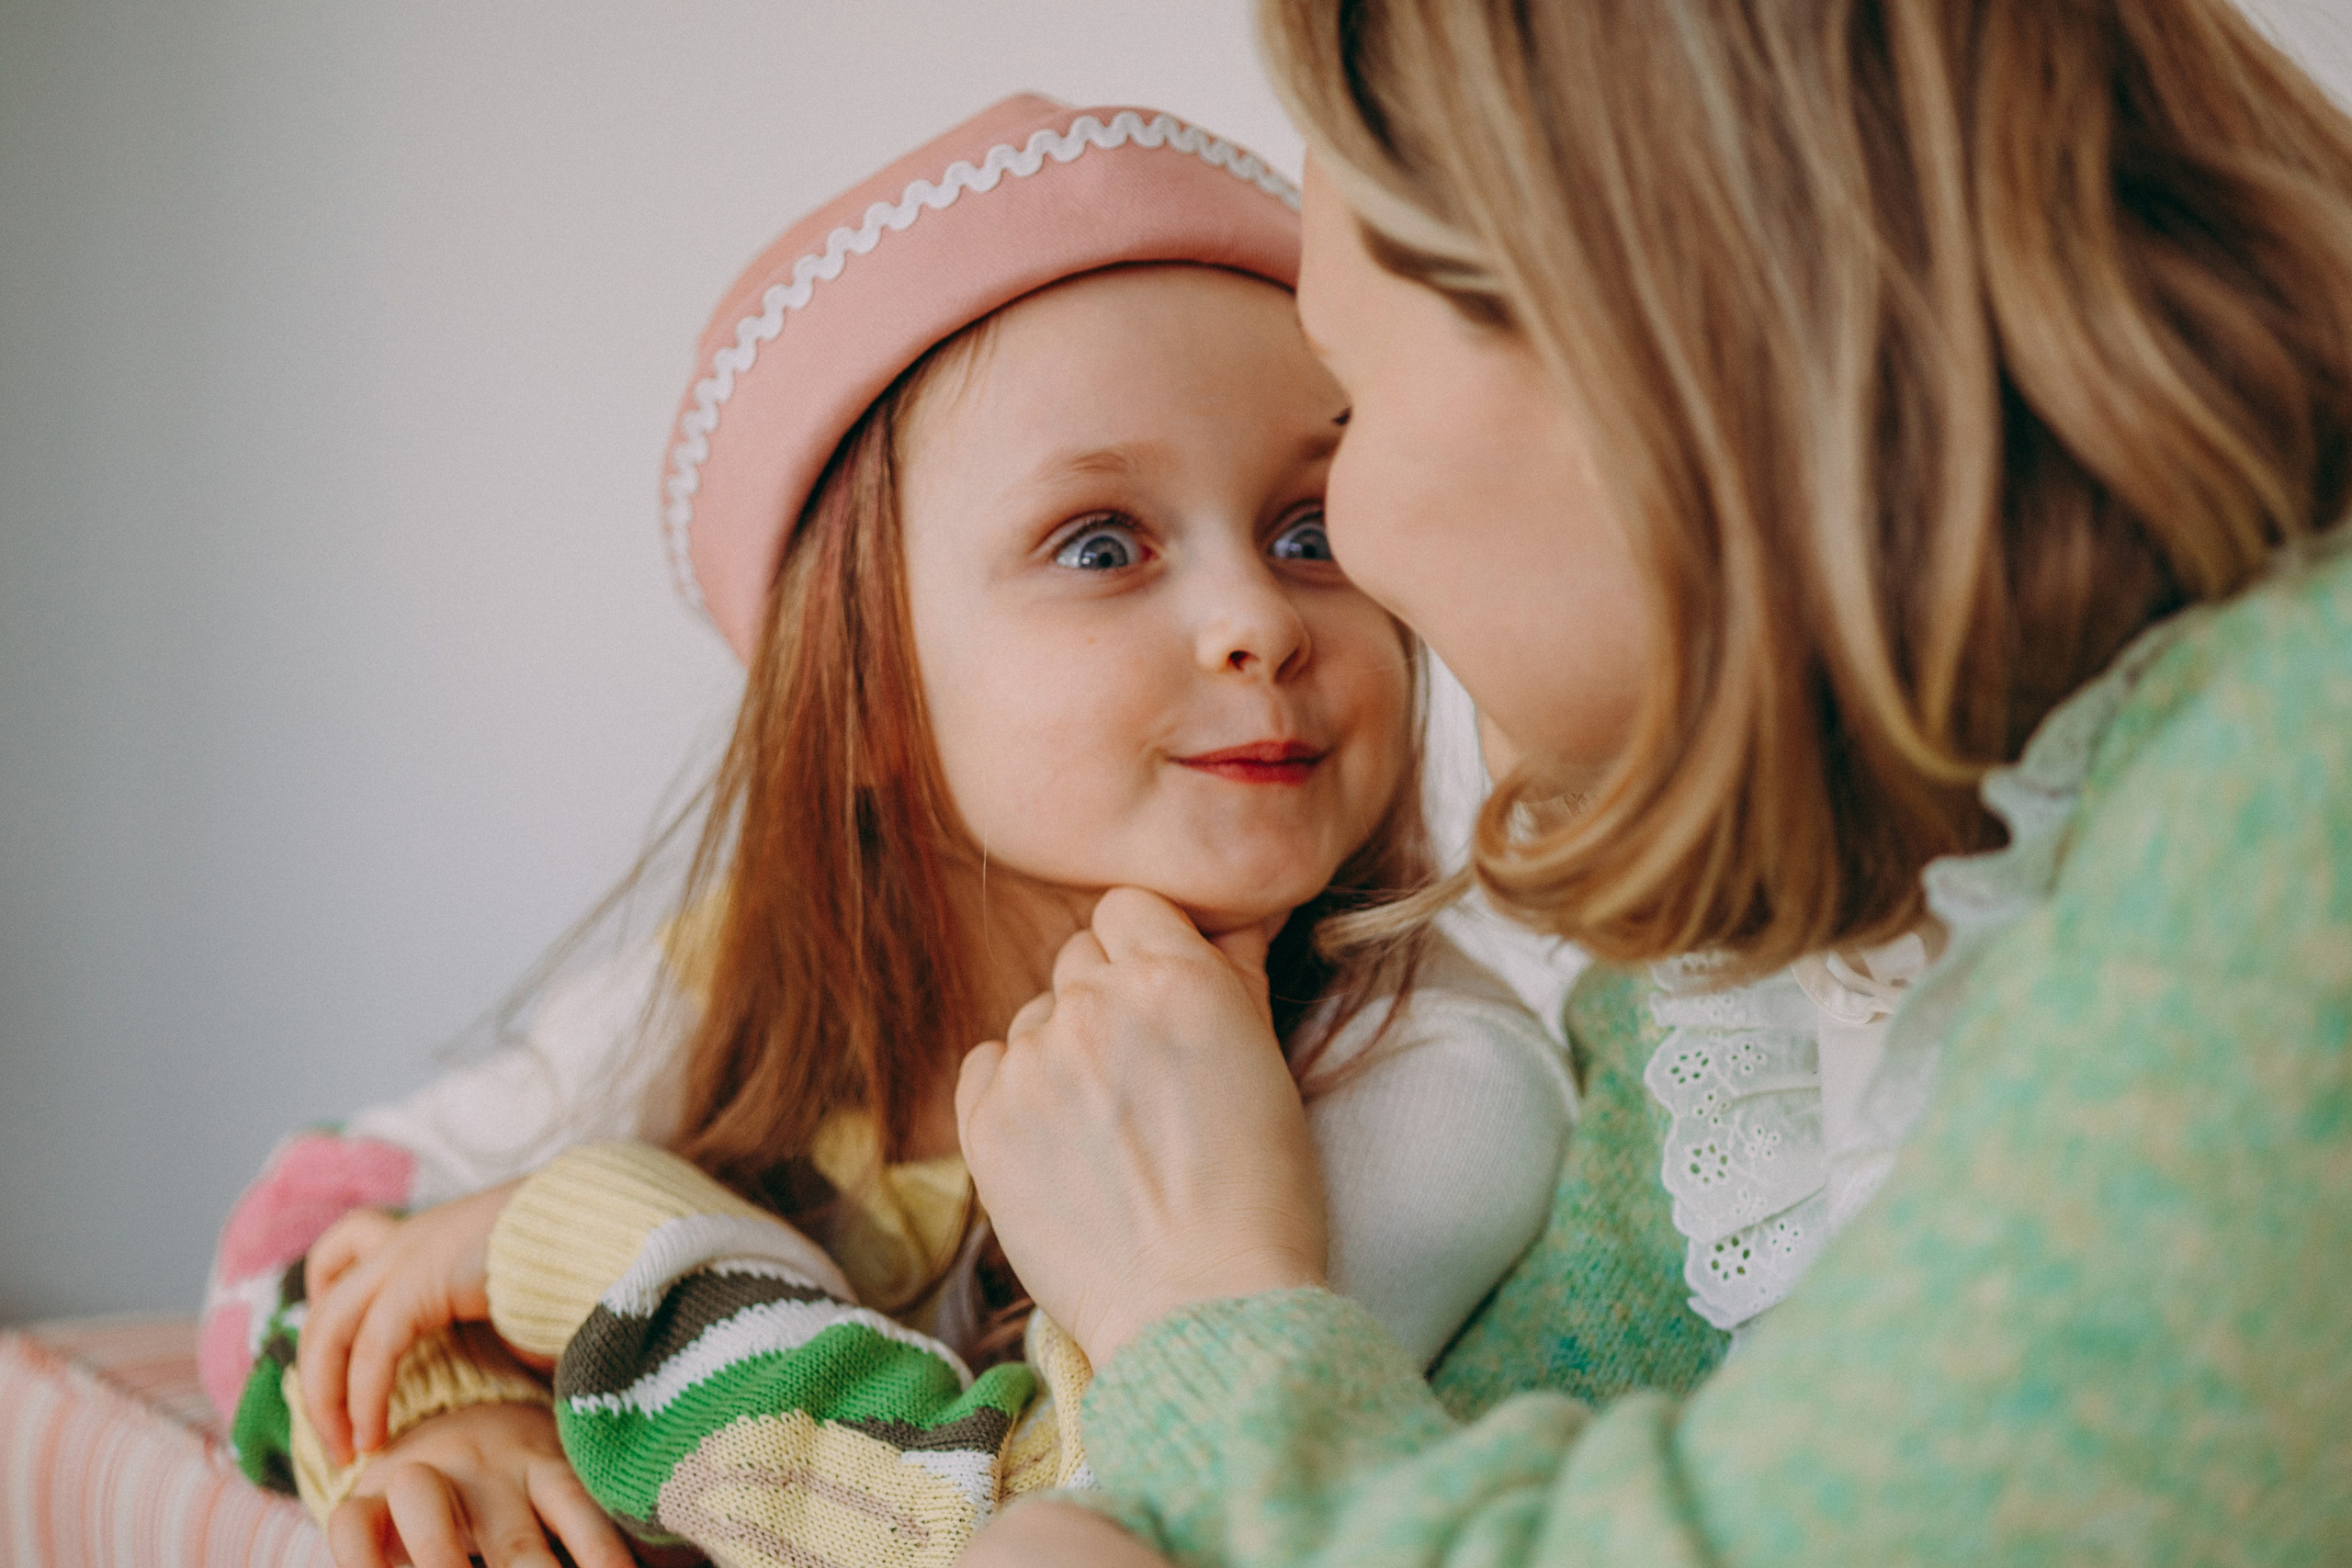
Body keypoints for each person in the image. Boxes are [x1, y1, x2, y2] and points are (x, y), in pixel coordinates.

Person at [952, 3, 2352, 1564]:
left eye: (1348, 415)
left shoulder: (2314, 763)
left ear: (1650, 353)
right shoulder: (1768, 981)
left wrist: (1192, 1301)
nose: (1336, 570)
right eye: (1099, 550)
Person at [195, 96, 1572, 1568]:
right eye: (1102, 544)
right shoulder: (726, 986)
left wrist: (588, 1248)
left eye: (1310, 531)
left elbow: (1051, 1512)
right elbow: (298, 1238)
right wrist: (458, 1407)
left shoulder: (1434, 1081)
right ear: (867, 697)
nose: (1256, 621)